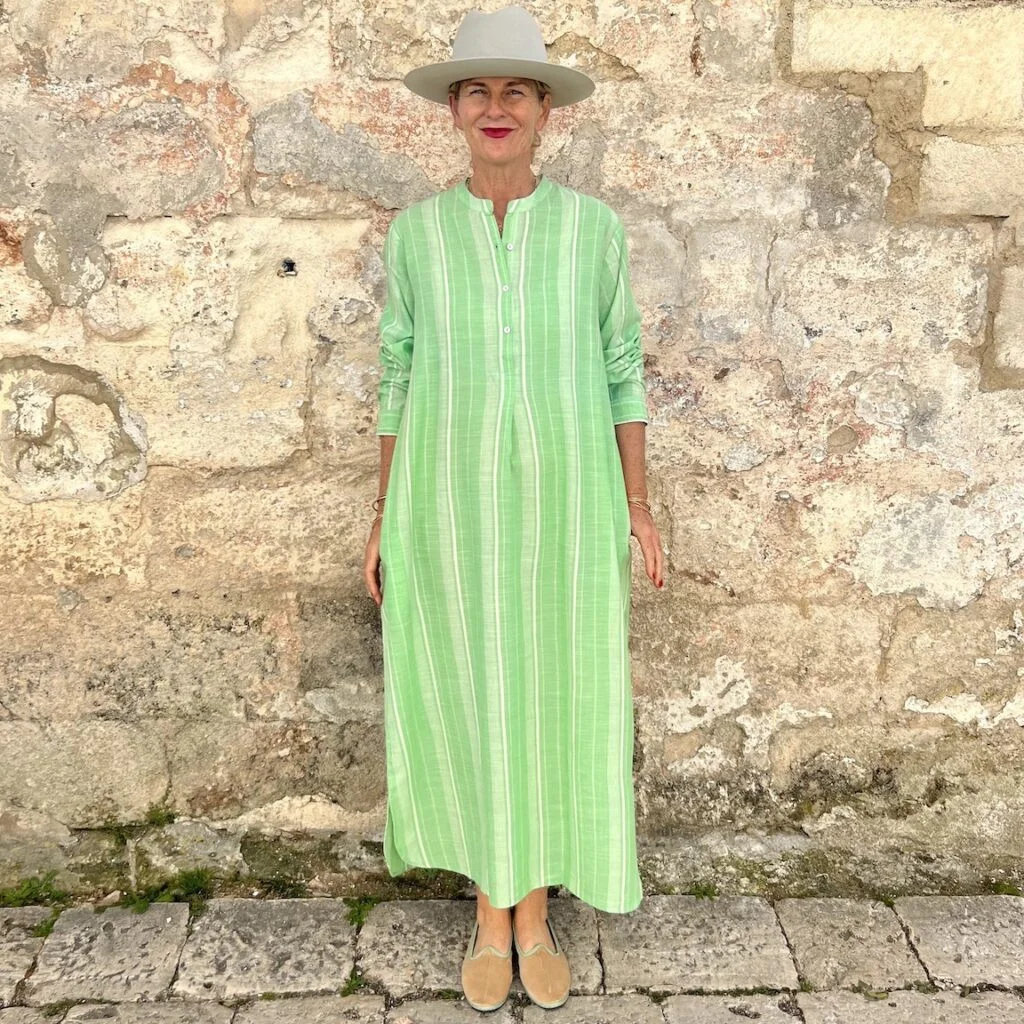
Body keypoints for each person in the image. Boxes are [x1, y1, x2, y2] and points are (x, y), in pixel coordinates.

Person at [362, 5, 665, 1012]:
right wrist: (378, 519)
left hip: (566, 514)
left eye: (517, 92)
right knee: (467, 689)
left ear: (546, 114)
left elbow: (622, 369)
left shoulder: (592, 233)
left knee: (551, 693)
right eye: (478, 91)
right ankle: (487, 909)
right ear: (454, 110)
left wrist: (637, 506)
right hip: (444, 511)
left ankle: (533, 911)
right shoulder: (416, 236)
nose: (497, 108)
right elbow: (395, 377)